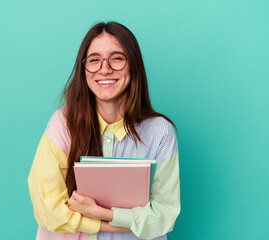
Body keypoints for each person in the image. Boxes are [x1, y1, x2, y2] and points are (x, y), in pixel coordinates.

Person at [28, 21, 180, 240]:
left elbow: (165, 216)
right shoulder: (62, 123)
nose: (104, 68)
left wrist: (100, 212)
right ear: (84, 69)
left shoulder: (161, 132)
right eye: (94, 60)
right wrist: (120, 222)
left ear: (133, 65)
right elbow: (47, 209)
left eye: (117, 58)